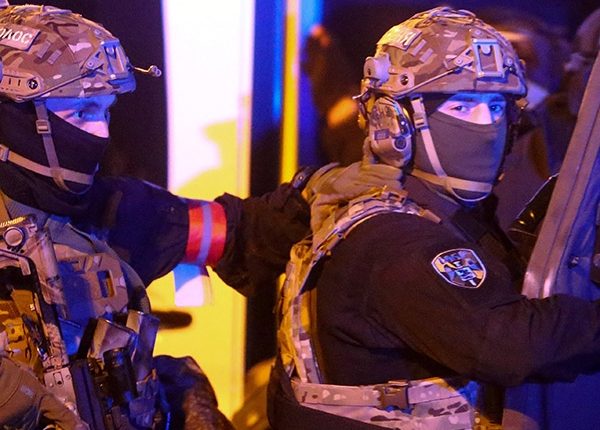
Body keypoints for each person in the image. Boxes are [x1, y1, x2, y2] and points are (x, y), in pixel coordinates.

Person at [267, 7, 600, 429]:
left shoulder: (442, 216)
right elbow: (509, 344)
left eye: (496, 108)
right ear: (396, 122)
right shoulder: (395, 240)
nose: (487, 125)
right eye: (463, 107)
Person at [0, 4, 309, 429]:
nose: (101, 133)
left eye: (105, 110)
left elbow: (242, 231)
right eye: (82, 113)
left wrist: (327, 201)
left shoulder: (113, 210)